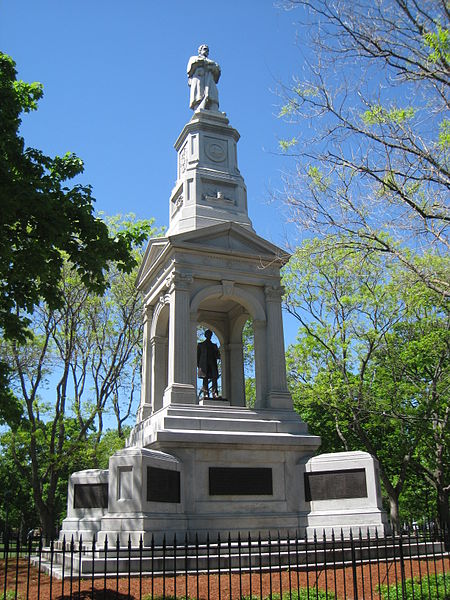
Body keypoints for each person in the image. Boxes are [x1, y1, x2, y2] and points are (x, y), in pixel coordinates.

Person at [187, 44, 221, 111]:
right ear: (200, 50)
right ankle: (198, 108)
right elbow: (190, 69)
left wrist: (212, 67)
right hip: (199, 79)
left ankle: (214, 110)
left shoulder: (213, 62)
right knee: (199, 95)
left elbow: (217, 71)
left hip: (210, 81)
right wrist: (205, 63)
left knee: (213, 96)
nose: (207, 51)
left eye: (208, 50)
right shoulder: (193, 58)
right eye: (205, 49)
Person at [197, 329, 220, 398]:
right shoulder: (200, 345)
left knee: (214, 378)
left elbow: (218, 356)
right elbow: (197, 357)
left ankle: (215, 393)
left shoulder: (214, 345)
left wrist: (218, 352)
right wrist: (199, 366)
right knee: (205, 378)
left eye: (210, 335)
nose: (209, 336)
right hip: (204, 364)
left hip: (212, 363)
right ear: (205, 335)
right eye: (207, 334)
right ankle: (205, 393)